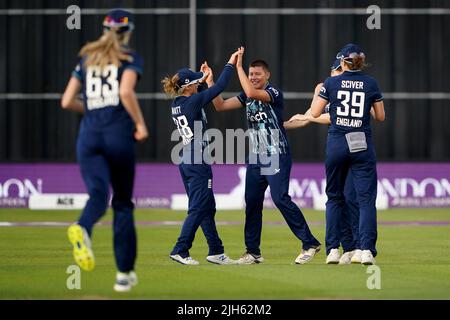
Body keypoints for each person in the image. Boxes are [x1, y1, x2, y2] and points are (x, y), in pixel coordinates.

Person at [204, 47, 321, 265]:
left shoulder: (273, 93)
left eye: (257, 74)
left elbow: (250, 92)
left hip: (277, 154)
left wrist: (237, 66)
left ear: (267, 75)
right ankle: (253, 252)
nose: (253, 78)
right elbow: (220, 106)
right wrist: (211, 82)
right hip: (256, 157)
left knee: (280, 198)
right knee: (252, 203)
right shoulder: (246, 96)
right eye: (250, 74)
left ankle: (310, 243)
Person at [61, 9, 148, 292]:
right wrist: (139, 123)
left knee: (98, 195)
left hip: (88, 138)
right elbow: (125, 93)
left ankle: (83, 227)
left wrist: (94, 109)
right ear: (128, 31)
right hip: (117, 136)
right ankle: (124, 275)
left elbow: (66, 101)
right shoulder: (130, 58)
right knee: (122, 204)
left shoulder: (87, 57)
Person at [161, 50, 240, 265]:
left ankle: (216, 250)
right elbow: (220, 88)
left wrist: (203, 79)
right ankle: (181, 249)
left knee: (207, 206)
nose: (197, 85)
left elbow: (202, 93)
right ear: (188, 87)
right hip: (197, 161)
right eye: (194, 83)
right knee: (198, 207)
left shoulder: (178, 103)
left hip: (186, 160)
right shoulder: (192, 102)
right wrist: (230, 64)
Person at [310, 43, 385, 265]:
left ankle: (333, 249)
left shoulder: (331, 83)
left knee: (334, 197)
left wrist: (320, 93)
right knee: (365, 200)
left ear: (343, 62)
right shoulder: (371, 83)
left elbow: (315, 112)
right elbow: (380, 116)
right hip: (361, 144)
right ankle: (367, 250)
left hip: (337, 144)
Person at [285, 59, 362, 265]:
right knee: (337, 197)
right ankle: (341, 246)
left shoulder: (356, 86)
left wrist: (309, 118)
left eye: (341, 68)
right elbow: (310, 113)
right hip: (338, 144)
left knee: (350, 197)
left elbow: (328, 117)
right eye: (336, 69)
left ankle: (353, 246)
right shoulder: (324, 86)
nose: (338, 72)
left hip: (354, 143)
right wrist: (282, 126)